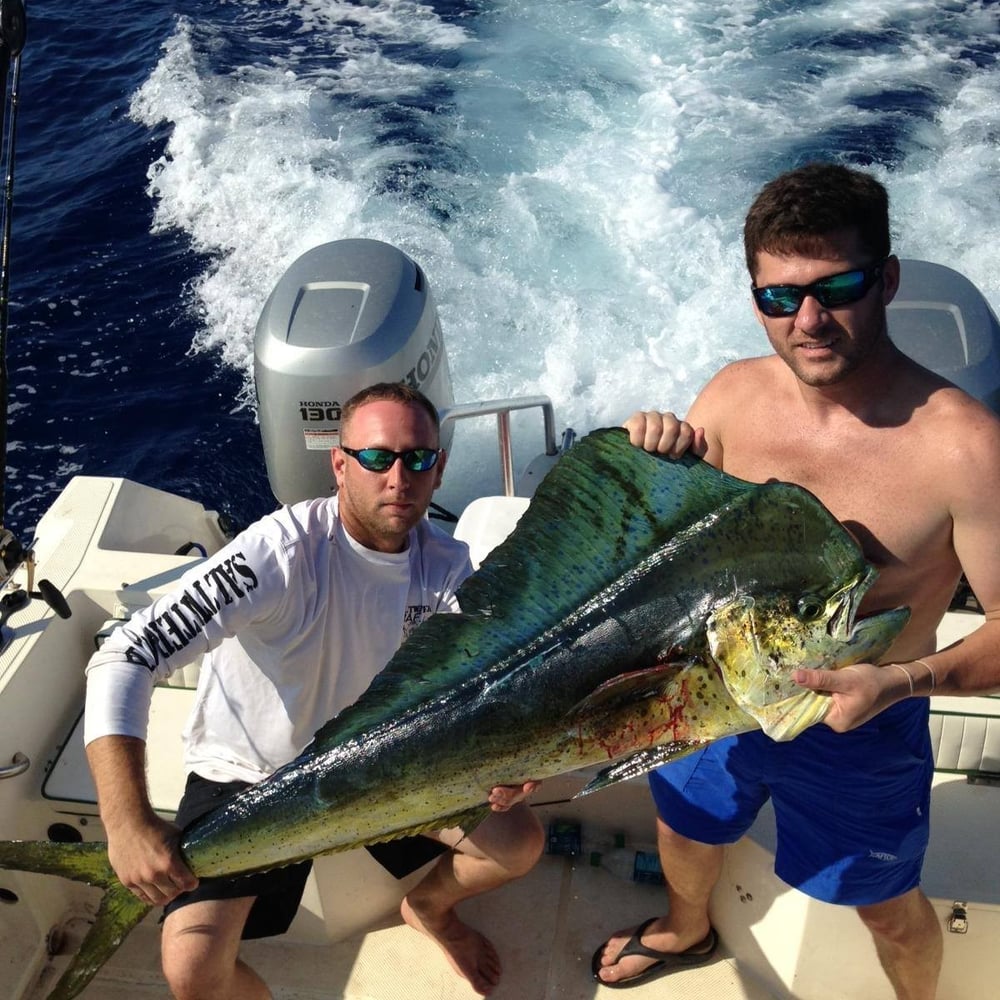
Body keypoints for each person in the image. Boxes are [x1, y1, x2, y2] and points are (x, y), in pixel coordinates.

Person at [591, 163, 1000, 998]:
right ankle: (686, 926)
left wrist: (898, 682)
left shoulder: (962, 446)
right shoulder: (733, 398)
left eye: (836, 287)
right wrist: (652, 465)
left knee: (886, 908)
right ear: (755, 298)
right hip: (715, 698)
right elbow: (663, 550)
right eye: (779, 297)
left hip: (865, 729)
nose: (808, 320)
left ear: (884, 280)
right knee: (686, 827)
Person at [84, 381, 545, 1000]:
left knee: (515, 844)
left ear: (440, 470)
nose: (398, 477)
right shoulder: (277, 553)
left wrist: (510, 762)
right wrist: (126, 823)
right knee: (191, 968)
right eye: (377, 457)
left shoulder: (450, 567)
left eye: (419, 459)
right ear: (339, 463)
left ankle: (430, 909)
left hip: (378, 764)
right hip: (253, 777)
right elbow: (126, 655)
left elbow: (483, 689)